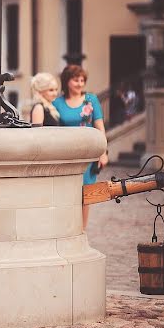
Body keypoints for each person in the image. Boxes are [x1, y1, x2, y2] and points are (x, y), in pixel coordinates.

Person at [52, 65, 108, 231]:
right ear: (67, 81)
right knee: (68, 195)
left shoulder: (91, 100)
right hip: (67, 155)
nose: (79, 83)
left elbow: (100, 127)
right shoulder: (57, 103)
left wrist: (103, 152)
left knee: (86, 195)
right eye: (76, 80)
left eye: (82, 80)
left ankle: (81, 231)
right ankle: (67, 229)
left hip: (89, 156)